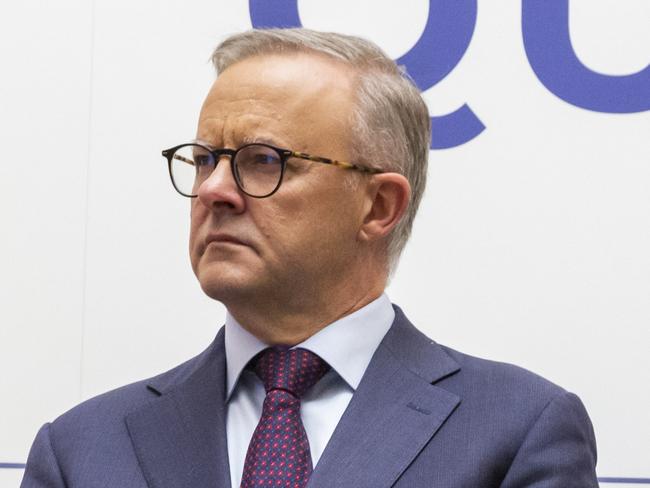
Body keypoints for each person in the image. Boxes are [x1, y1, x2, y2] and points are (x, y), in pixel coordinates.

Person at [21, 28, 598, 487]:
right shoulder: (81, 451)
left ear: (378, 206)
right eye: (204, 160)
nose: (213, 190)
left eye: (263, 160)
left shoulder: (517, 432)